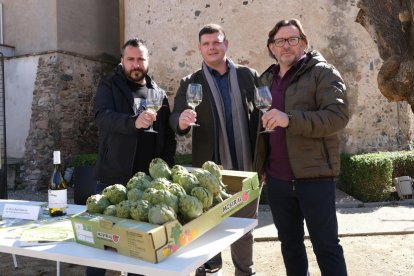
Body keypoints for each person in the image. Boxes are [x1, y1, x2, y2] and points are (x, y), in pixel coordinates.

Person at [257, 18, 349, 276]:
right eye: (280, 41)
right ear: (272, 47)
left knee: (326, 246)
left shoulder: (323, 72)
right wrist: (260, 167)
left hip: (314, 178)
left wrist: (290, 119)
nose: (286, 45)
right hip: (277, 181)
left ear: (304, 43)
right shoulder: (266, 80)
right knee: (290, 246)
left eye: (292, 39)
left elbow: (338, 116)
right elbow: (260, 129)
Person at [170, 24, 261, 276]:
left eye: (216, 42)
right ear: (200, 48)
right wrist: (181, 121)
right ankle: (209, 269)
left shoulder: (248, 75)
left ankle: (245, 271)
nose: (212, 47)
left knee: (243, 227)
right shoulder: (190, 82)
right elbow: (176, 116)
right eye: (206, 44)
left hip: (247, 166)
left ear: (226, 44)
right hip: (209, 170)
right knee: (207, 226)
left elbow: (262, 113)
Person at [86, 38, 176, 276]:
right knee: (102, 245)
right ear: (122, 61)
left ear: (147, 61)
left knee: (141, 246)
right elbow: (101, 117)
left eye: (141, 59)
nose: (136, 64)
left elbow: (167, 136)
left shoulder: (158, 92)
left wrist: (166, 171)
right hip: (112, 177)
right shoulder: (109, 86)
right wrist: (132, 122)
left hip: (147, 184)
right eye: (131, 59)